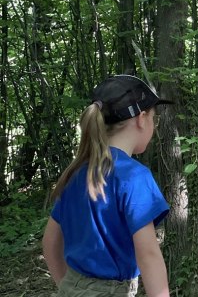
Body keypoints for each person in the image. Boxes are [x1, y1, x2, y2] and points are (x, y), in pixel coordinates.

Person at [42, 75, 172, 297]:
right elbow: (148, 254)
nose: (154, 125)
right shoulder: (134, 176)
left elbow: (50, 241)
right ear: (141, 119)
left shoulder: (77, 172)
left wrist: (67, 286)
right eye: (154, 119)